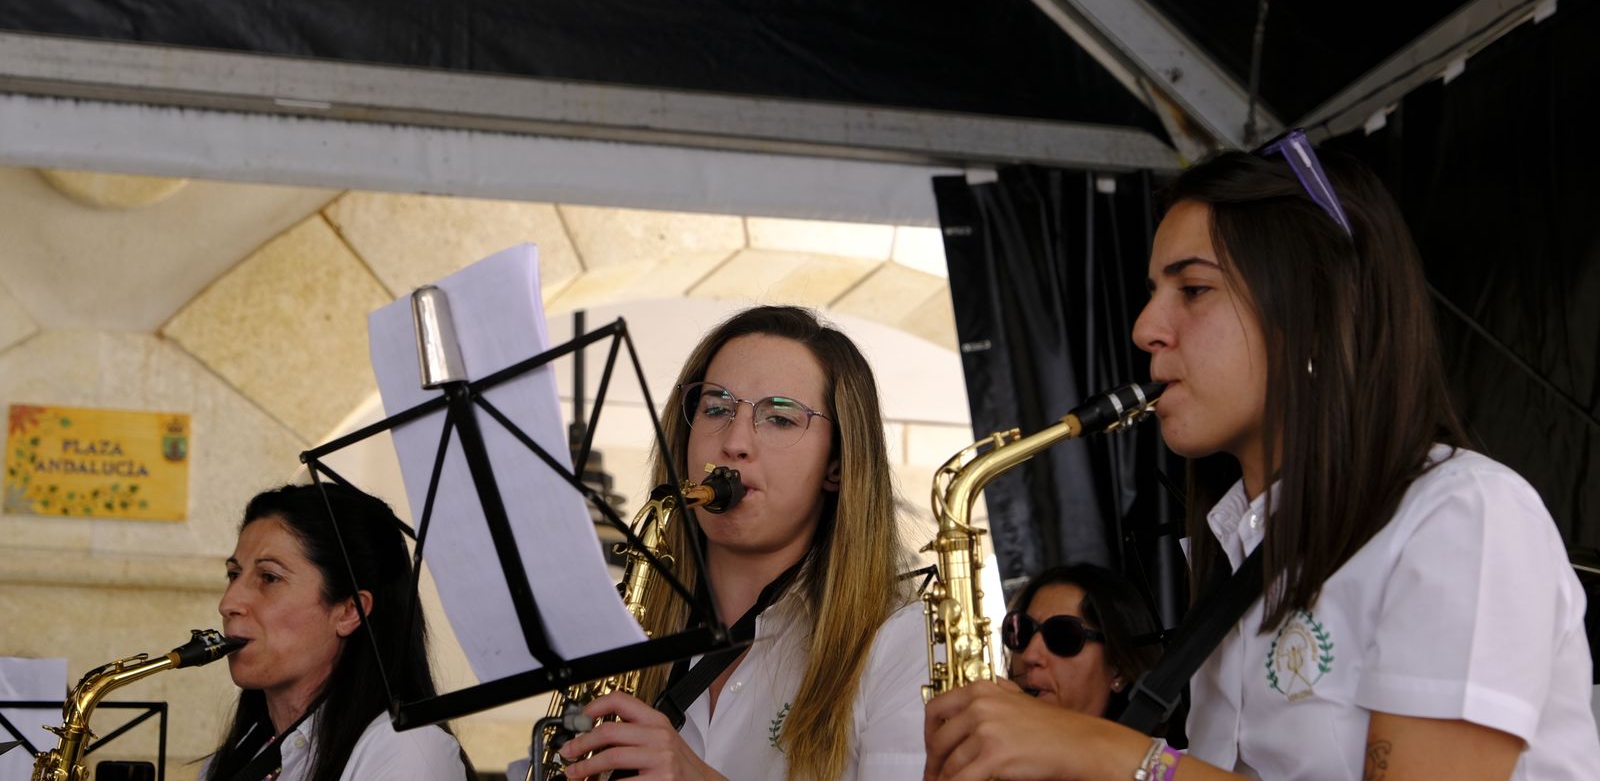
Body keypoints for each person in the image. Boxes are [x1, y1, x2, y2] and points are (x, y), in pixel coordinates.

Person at [923, 133, 1600, 780]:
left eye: (1192, 289)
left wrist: (1107, 752)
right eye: (1154, 291)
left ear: (1311, 312)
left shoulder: (1463, 516)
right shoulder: (1242, 547)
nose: (1144, 328)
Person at [554, 305, 927, 781]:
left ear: (838, 464)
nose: (734, 442)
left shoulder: (899, 639)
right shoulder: (620, 627)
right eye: (715, 408)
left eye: (780, 419)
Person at [205, 482, 467, 781]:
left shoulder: (407, 750)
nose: (228, 603)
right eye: (234, 574)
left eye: (269, 577)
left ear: (349, 611)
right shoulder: (233, 759)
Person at [1002, 564, 1161, 719]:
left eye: (1063, 636)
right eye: (1022, 632)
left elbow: (1164, 749)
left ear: (1119, 670)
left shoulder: (1155, 747)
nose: (1029, 656)